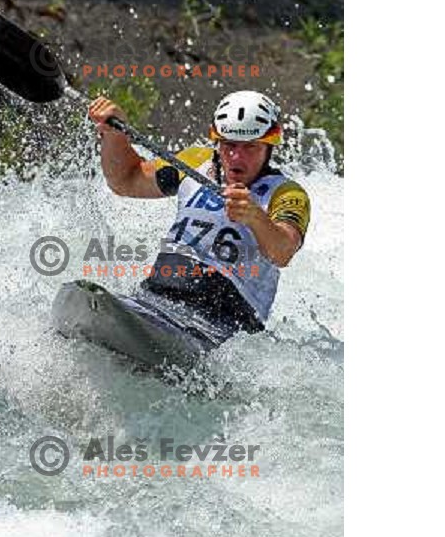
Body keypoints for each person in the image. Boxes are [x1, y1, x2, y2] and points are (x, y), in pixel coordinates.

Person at [52, 90, 311, 365]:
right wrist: (115, 134)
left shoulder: (286, 194)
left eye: (250, 147)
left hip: (220, 330)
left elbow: (283, 250)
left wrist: (255, 217)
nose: (236, 157)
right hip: (154, 303)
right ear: (217, 140)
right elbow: (126, 180)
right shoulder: (195, 162)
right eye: (229, 145)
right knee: (91, 298)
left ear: (269, 146)